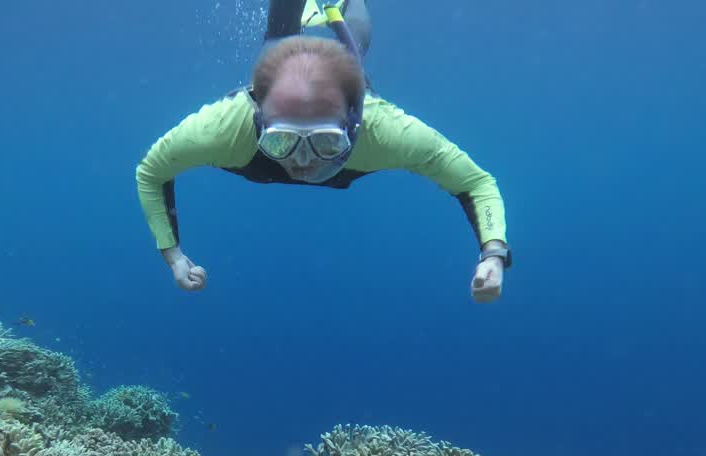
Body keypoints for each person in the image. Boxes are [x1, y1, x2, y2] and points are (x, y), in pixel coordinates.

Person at [135, 0, 511, 303]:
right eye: (281, 141)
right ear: (258, 117)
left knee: (346, 46)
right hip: (282, 68)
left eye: (326, 142)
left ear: (354, 121)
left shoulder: (383, 129)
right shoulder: (226, 125)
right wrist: (173, 257)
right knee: (284, 40)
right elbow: (150, 173)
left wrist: (493, 254)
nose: (302, 161)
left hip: (343, 75)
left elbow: (477, 183)